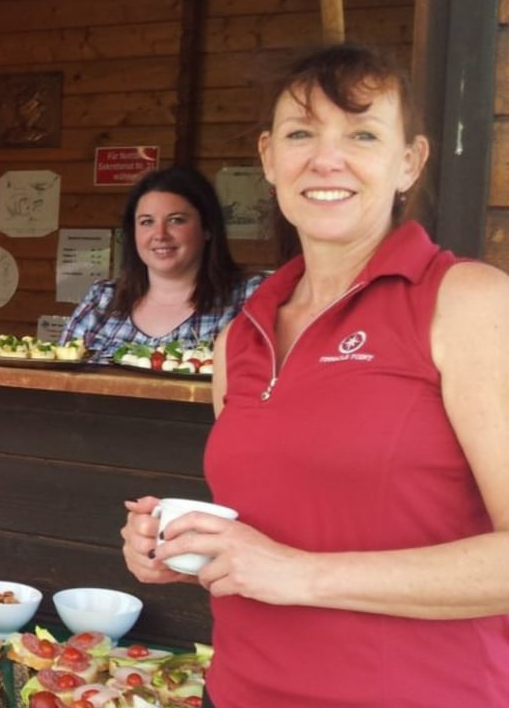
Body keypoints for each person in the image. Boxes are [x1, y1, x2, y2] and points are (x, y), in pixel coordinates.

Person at [121, 43, 509, 706]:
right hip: (239, 690)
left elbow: (291, 566)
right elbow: (283, 530)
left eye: (362, 133)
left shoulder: (467, 302)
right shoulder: (242, 335)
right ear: (270, 158)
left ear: (408, 162)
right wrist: (188, 552)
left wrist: (299, 575)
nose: (326, 159)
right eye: (302, 134)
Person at [60, 165, 263, 362]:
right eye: (147, 222)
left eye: (176, 220)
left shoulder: (248, 298)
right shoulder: (102, 299)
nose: (160, 235)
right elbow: (57, 381)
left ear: (207, 228)